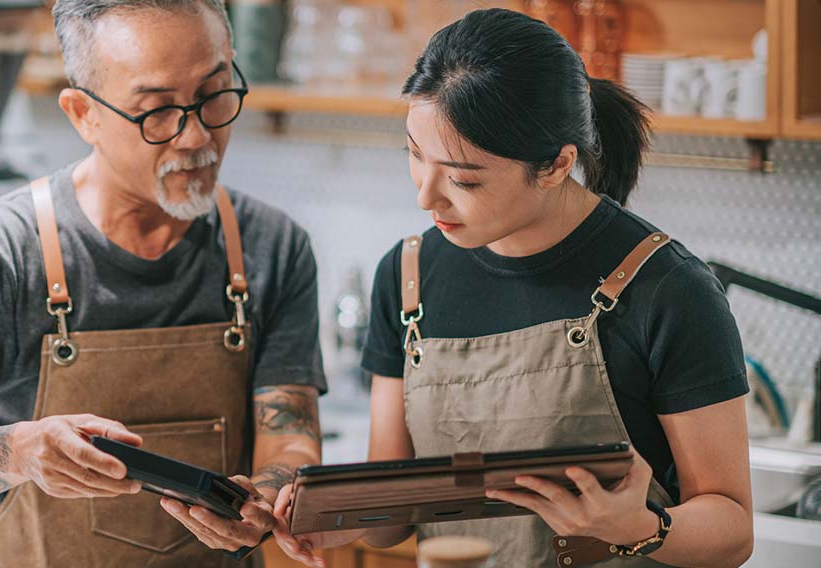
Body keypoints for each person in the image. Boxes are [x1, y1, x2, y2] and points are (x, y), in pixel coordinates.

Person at [273, 8, 753, 567]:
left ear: (555, 166)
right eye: (413, 153)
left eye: (462, 177)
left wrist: (641, 526)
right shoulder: (405, 279)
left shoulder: (668, 289)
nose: (426, 197)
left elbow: (733, 528)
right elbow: (395, 514)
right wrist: (331, 521)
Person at [0, 0, 327, 566]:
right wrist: (20, 452)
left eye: (214, 94)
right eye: (157, 111)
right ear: (82, 113)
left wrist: (263, 496)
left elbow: (290, 432)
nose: (195, 137)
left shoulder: (271, 246)